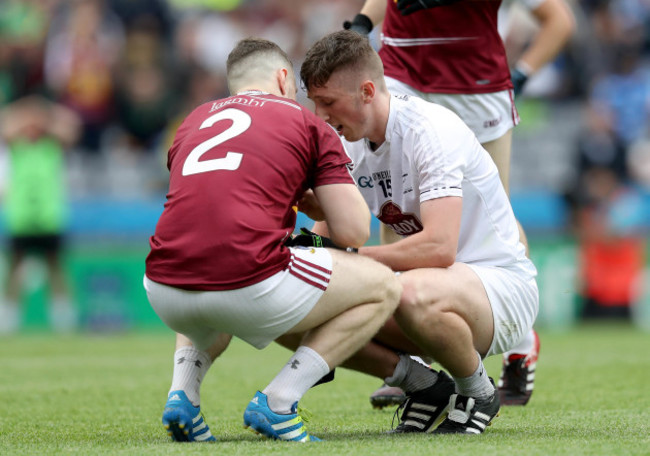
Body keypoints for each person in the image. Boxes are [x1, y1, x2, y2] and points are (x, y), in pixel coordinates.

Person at [143, 37, 401, 443]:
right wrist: (311, 202)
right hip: (249, 283)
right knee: (384, 285)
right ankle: (280, 401)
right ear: (284, 78)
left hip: (162, 287)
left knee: (207, 261)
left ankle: (183, 396)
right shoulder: (305, 122)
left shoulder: (192, 121)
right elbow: (353, 231)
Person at [298, 30, 538, 434]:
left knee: (405, 291)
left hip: (500, 292)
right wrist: (308, 255)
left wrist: (348, 261)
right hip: (432, 295)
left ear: (368, 91)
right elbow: (328, 239)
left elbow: (440, 248)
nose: (320, 116)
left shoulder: (431, 131)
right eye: (315, 103)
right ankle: (424, 386)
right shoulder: (349, 141)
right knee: (299, 298)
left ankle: (478, 391)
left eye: (328, 103)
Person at [343, 0, 574, 407]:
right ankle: (413, 352)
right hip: (401, 76)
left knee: (493, 216)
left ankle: (519, 337)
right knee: (395, 208)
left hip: (475, 86)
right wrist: (362, 23)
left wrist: (521, 73)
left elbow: (559, 20)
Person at [0, 95, 81, 334]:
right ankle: (8, 318)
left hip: (49, 218)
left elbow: (71, 127)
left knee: (56, 268)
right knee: (14, 269)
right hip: (22, 218)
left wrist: (44, 112)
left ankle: (63, 319)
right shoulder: (14, 146)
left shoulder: (52, 145)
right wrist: (24, 110)